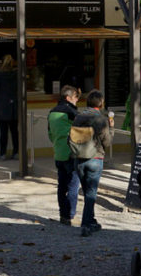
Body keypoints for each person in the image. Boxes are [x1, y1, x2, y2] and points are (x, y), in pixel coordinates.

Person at [69, 90, 113, 237]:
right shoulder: (101, 119)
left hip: (79, 159)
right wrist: (111, 127)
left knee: (88, 191)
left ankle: (91, 220)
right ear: (100, 104)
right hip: (95, 159)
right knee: (91, 193)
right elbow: (107, 142)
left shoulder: (78, 117)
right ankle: (86, 224)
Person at [48, 86, 81, 225]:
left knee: (61, 186)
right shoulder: (72, 112)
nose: (77, 100)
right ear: (68, 98)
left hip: (58, 153)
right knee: (73, 186)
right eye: (75, 97)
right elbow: (81, 132)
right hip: (72, 153)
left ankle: (63, 215)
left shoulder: (51, 112)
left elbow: (50, 134)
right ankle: (71, 215)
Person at [0, 55, 19, 160]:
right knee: (14, 131)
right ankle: (16, 152)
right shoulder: (15, 74)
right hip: (14, 106)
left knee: (3, 132)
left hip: (2, 106)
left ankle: (2, 154)